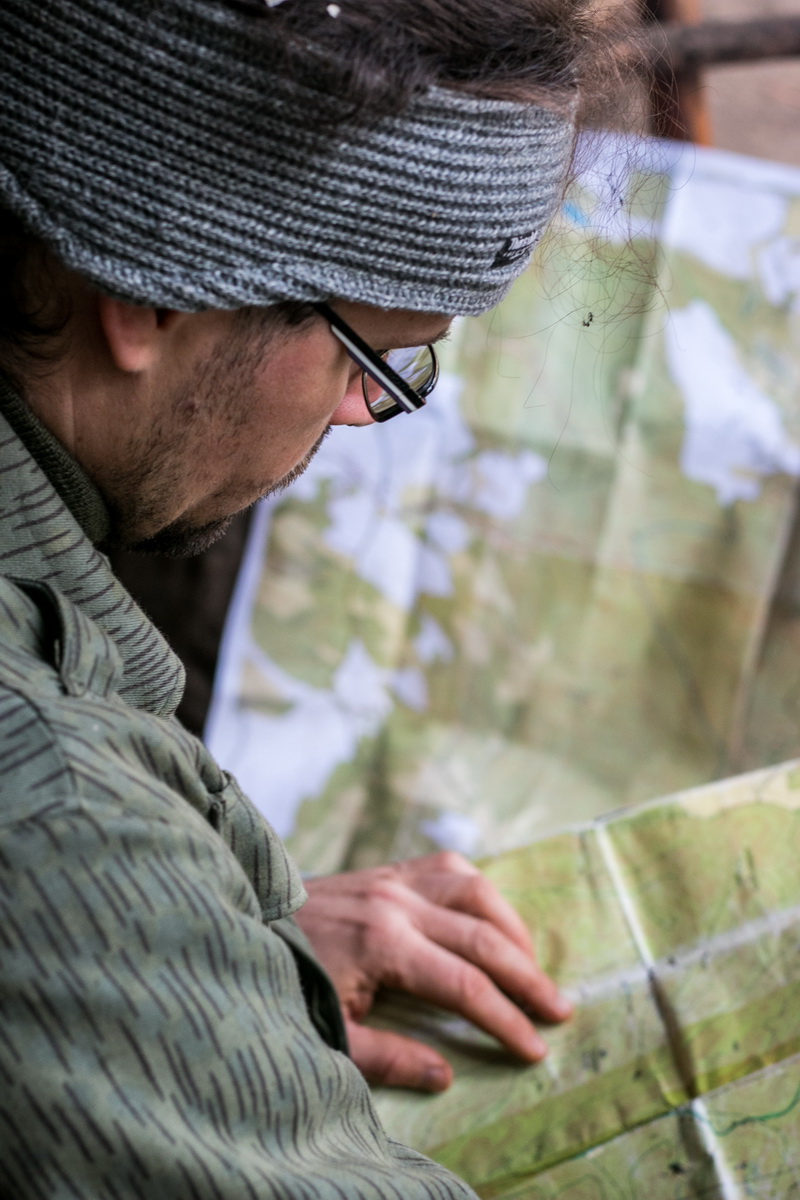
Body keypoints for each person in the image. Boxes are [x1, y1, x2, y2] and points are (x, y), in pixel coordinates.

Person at [0, 0, 612, 1194]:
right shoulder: (56, 827)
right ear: (159, 292)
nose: (360, 417)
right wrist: (128, 931)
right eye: (368, 359)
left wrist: (217, 945)